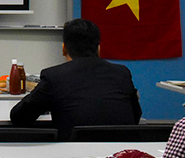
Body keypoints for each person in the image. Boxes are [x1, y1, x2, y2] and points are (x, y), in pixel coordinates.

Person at [10, 18, 141, 140]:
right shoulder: (121, 73)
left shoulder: (54, 76)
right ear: (99, 48)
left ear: (64, 49)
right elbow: (134, 117)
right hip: (120, 151)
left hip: (73, 150)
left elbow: (19, 117)